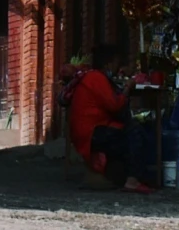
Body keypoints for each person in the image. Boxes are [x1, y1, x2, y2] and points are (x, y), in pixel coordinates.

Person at [65, 42, 151, 192]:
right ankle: (132, 180)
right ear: (108, 64)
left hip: (91, 129)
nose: (117, 67)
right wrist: (127, 88)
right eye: (116, 63)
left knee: (130, 129)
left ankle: (124, 176)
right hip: (91, 133)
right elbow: (115, 105)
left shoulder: (93, 77)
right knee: (135, 132)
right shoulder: (96, 78)